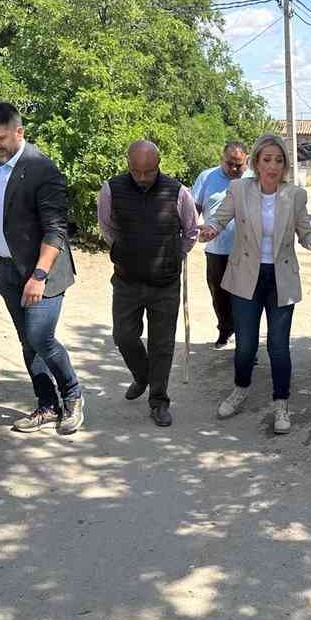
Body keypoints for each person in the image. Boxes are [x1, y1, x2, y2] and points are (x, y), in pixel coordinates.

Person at [198, 134, 311, 434]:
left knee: (279, 347)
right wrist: (210, 230)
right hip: (246, 276)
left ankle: (281, 403)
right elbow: (219, 218)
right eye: (266, 159)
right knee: (245, 346)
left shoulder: (294, 195)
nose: (272, 165)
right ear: (256, 162)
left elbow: (304, 232)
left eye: (278, 160)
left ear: (285, 166)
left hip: (280, 278)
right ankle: (240, 389)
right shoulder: (239, 189)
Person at [0, 101, 84, 434]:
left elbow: (55, 229)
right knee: (27, 341)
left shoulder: (42, 168)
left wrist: (38, 275)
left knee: (41, 336)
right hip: (9, 269)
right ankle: (47, 405)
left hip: (44, 272)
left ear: (19, 132)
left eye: (0, 139)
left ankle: (74, 395)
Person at [96, 140, 198, 427]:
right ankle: (142, 376)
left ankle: (159, 400)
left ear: (159, 164)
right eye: (136, 171)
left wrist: (173, 256)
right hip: (127, 280)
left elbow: (190, 231)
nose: (142, 178)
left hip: (165, 284)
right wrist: (124, 251)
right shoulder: (111, 189)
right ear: (128, 164)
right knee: (123, 336)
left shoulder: (178, 192)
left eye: (149, 172)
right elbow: (107, 227)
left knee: (162, 344)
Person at [192, 142, 248, 348]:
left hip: (246, 251)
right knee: (219, 295)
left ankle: (246, 341)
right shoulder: (207, 177)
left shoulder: (252, 179)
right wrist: (190, 231)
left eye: (239, 165)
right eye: (229, 164)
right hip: (216, 249)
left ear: (247, 161)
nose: (234, 169)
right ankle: (225, 329)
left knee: (245, 297)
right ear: (221, 160)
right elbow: (194, 207)